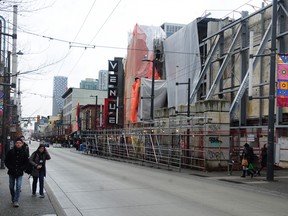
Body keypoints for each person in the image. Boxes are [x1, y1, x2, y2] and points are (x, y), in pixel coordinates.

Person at [4, 137, 29, 207]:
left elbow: (26, 163)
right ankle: (13, 196)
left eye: (20, 143)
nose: (18, 144)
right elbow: (6, 161)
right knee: (11, 187)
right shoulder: (10, 151)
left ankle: (16, 200)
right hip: (11, 172)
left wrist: (22, 169)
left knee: (18, 186)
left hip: (19, 172)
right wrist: (10, 167)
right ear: (15, 144)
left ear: (22, 144)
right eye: (17, 143)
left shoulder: (24, 152)